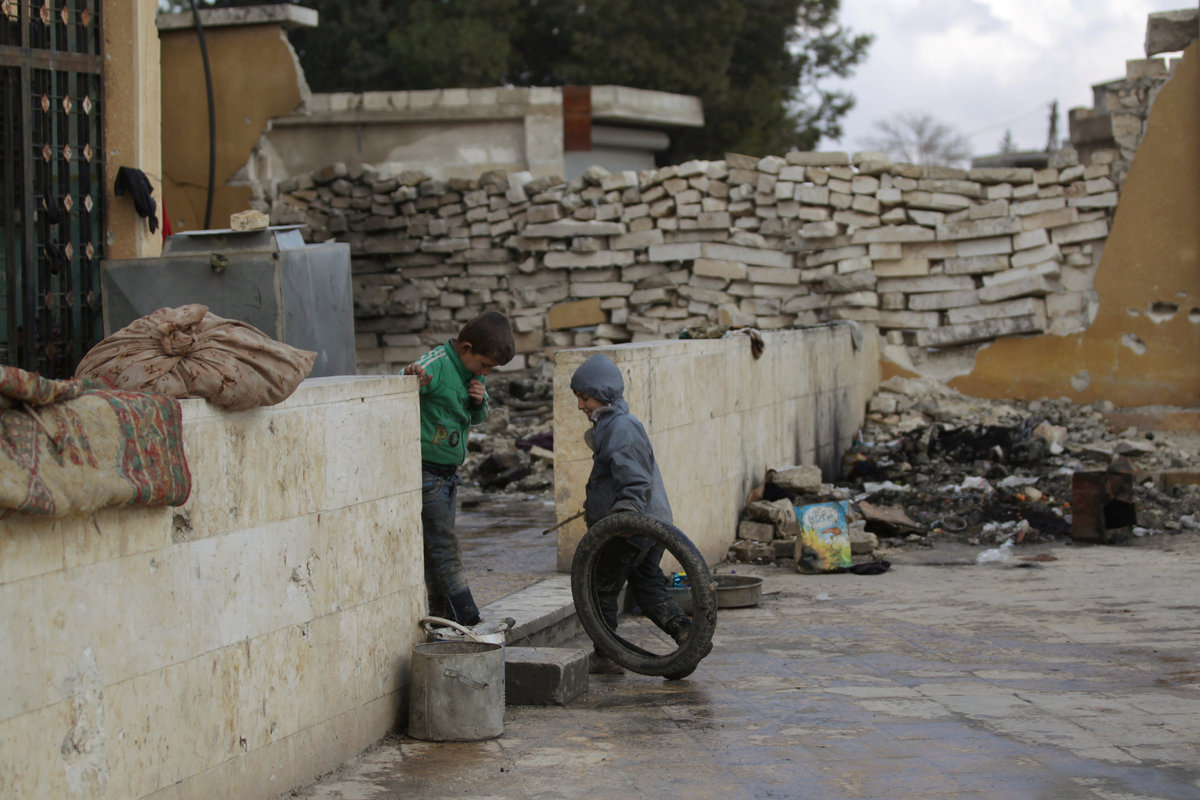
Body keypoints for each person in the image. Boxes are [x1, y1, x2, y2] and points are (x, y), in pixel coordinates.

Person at [570, 353, 696, 674]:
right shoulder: (611, 423)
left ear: (604, 394)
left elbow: (635, 478)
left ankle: (607, 654)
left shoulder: (621, 427)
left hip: (630, 528)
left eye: (584, 397)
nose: (580, 405)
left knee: (602, 588)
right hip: (649, 527)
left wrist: (625, 517)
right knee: (648, 587)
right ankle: (687, 634)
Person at [403, 311, 515, 627]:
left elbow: (478, 417)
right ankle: (468, 618)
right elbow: (400, 385)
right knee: (444, 547)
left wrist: (479, 402)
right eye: (485, 365)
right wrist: (412, 379)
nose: (486, 373)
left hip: (447, 475)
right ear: (465, 348)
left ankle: (441, 617)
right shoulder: (436, 364)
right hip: (425, 472)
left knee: (437, 547)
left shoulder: (473, 376)